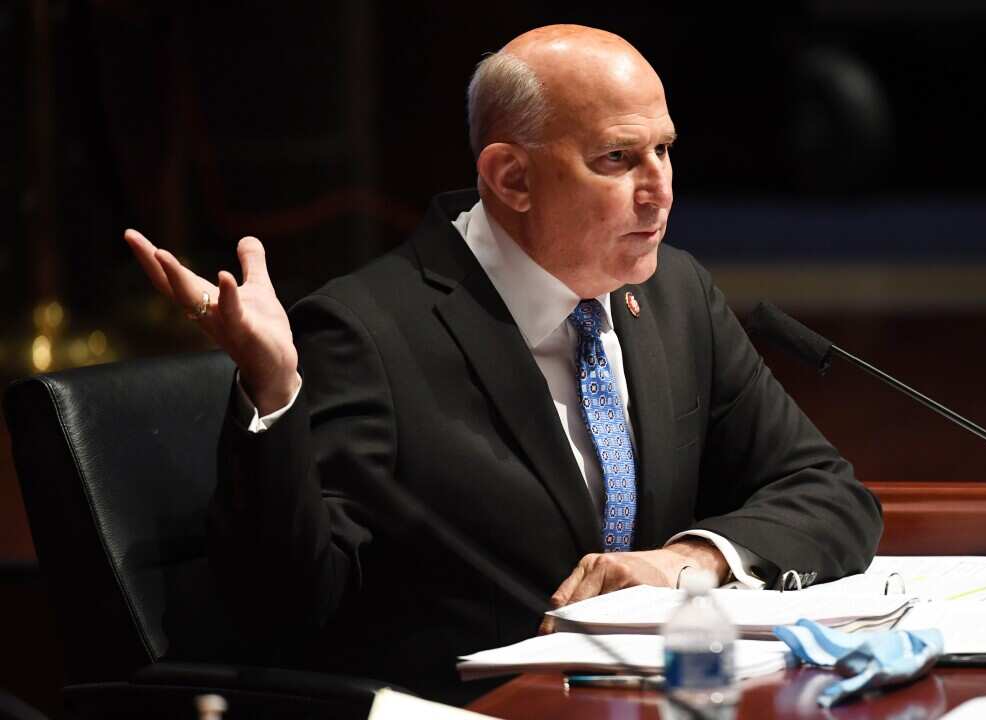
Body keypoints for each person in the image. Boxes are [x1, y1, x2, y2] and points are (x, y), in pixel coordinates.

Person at [125, 24, 882, 703]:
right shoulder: (368, 334)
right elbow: (289, 602)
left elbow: (827, 492)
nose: (660, 191)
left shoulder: (675, 293)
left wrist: (687, 560)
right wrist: (276, 390)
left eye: (665, 150)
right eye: (617, 159)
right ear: (511, 178)